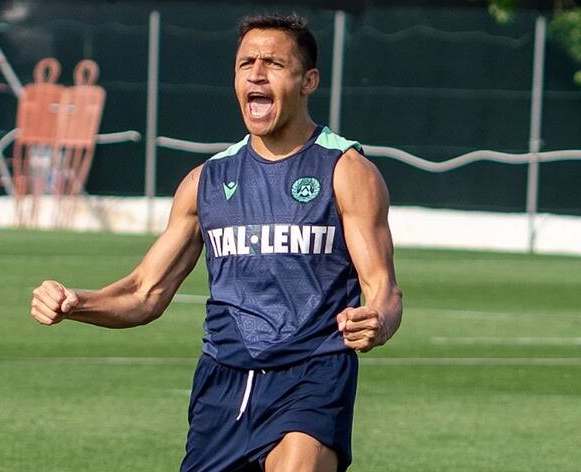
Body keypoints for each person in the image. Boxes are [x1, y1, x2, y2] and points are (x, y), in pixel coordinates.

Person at [30, 13, 403, 472]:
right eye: (246, 63)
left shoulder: (345, 171)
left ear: (309, 81)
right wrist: (76, 302)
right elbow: (145, 293)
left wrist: (379, 320)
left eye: (273, 64)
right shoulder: (204, 182)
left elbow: (383, 286)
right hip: (222, 383)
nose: (257, 74)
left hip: (313, 373)